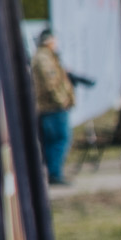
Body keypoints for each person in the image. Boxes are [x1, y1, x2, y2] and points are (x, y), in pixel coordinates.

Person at [31, 30, 76, 187]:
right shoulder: (44, 58)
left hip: (50, 107)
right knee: (59, 140)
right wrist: (61, 100)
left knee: (52, 141)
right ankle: (54, 174)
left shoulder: (45, 56)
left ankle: (52, 173)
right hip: (52, 107)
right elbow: (50, 83)